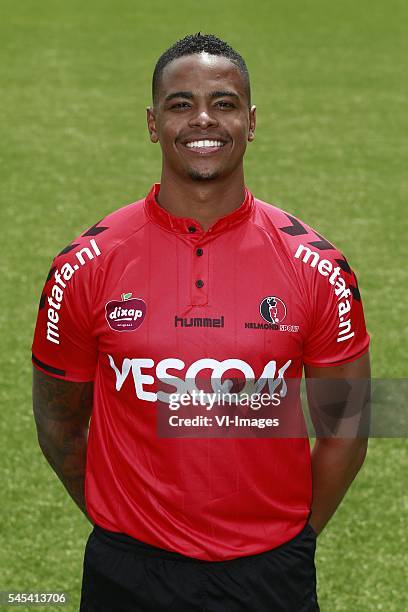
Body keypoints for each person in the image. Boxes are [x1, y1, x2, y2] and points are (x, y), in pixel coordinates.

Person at [32, 33, 370, 611]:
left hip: (271, 572)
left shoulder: (319, 268)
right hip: (128, 568)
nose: (203, 120)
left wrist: (290, 539)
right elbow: (58, 420)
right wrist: (121, 527)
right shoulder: (83, 266)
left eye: (224, 102)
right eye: (181, 103)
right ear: (152, 121)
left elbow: (349, 428)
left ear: (252, 120)